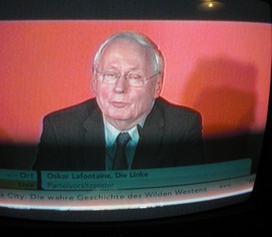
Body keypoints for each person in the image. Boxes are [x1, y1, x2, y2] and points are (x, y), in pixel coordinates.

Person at [33, 32, 205, 171]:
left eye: (134, 77)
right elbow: (45, 200)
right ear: (95, 80)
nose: (120, 88)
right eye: (110, 75)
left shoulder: (182, 128)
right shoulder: (61, 129)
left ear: (157, 85)